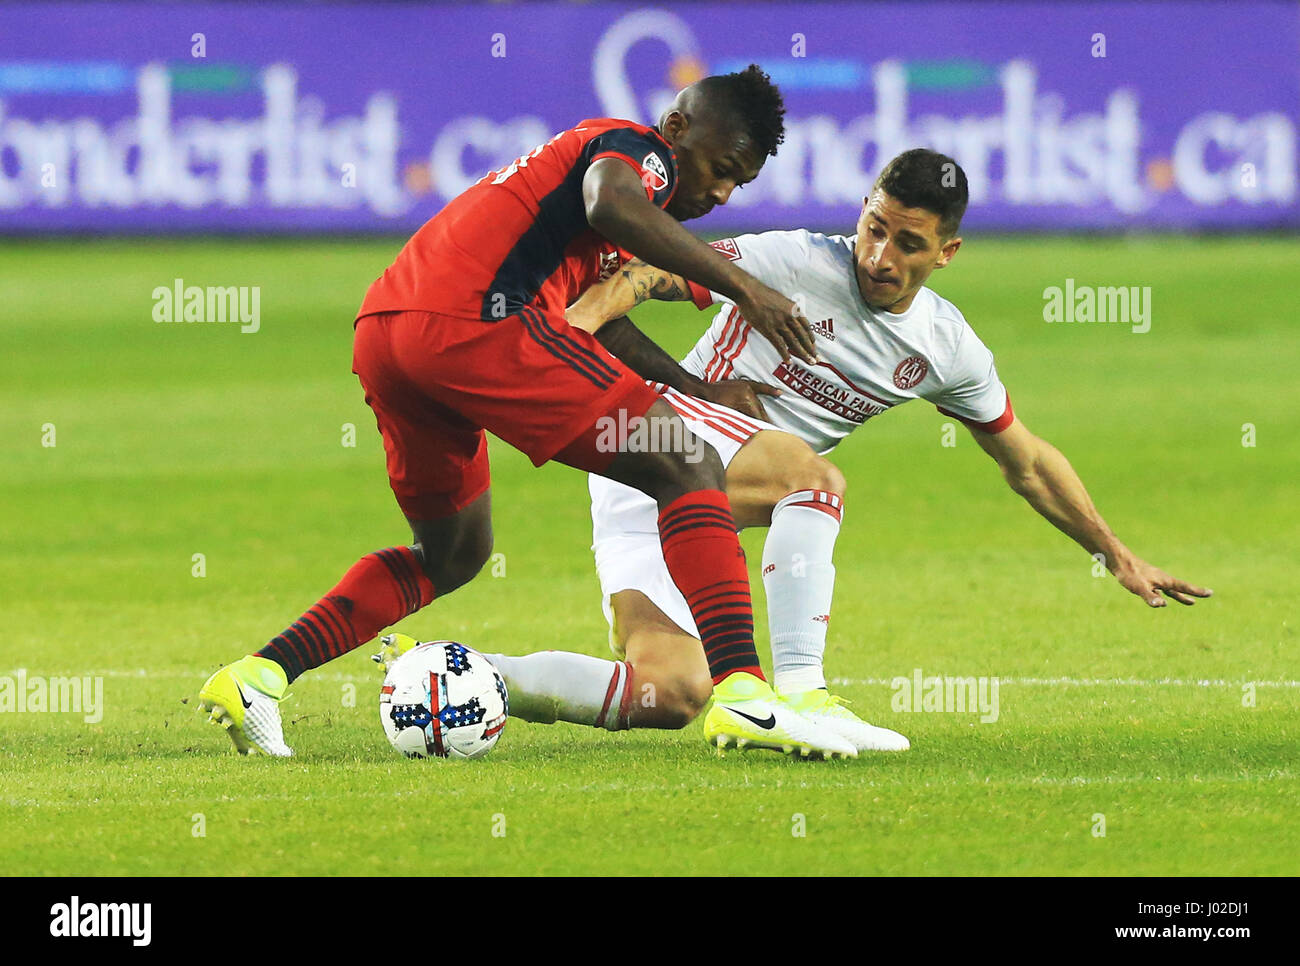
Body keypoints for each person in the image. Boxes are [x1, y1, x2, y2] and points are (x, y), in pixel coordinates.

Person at [416, 148, 1211, 752]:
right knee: (814, 479)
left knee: (673, 693)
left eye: (907, 243)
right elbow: (652, 271)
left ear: (947, 254)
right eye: (873, 228)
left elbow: (1026, 462)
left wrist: (1115, 553)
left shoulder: (947, 348)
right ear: (861, 210)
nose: (878, 257)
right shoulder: (797, 260)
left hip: (701, 508)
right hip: (657, 443)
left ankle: (462, 677)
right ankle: (801, 695)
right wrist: (584, 320)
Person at [199, 65, 859, 760]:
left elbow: (593, 323)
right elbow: (612, 202)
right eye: (721, 169)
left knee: (454, 552)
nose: (721, 193)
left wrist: (693, 388)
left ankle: (257, 676)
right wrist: (744, 288)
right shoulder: (636, 152)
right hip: (476, 322)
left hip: (391, 333)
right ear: (677, 129)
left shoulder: (590, 197)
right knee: (688, 463)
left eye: (739, 184)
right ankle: (746, 697)